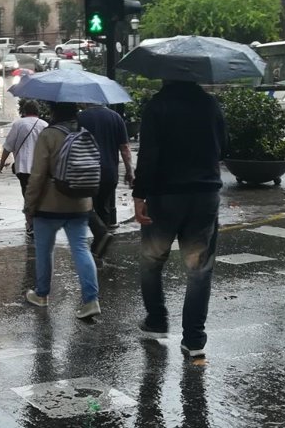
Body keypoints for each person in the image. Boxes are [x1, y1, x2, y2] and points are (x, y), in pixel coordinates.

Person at [132, 80, 228, 359]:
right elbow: (224, 147)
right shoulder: (210, 104)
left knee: (152, 261)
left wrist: (140, 195)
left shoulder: (157, 106)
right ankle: (194, 339)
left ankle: (157, 319)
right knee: (199, 269)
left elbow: (148, 155)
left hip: (165, 196)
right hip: (205, 195)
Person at [22, 101, 100, 320]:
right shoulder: (84, 132)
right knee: (81, 249)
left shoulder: (48, 135)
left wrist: (29, 206)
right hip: (80, 203)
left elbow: (37, 175)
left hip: (49, 205)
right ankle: (91, 300)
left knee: (44, 250)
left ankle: (42, 294)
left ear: (54, 111)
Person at [78, 103, 134, 259]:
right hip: (109, 171)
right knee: (104, 207)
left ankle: (96, 239)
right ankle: (100, 247)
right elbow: (125, 148)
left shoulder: (80, 117)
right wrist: (130, 171)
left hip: (86, 171)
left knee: (84, 206)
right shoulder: (115, 117)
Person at [0, 100, 47, 235]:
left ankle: (30, 224)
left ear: (24, 111)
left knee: (27, 195)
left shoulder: (18, 124)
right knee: (40, 194)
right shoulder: (45, 125)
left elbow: (8, 146)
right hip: (40, 168)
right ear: (38, 111)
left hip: (23, 167)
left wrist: (2, 163)